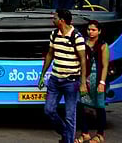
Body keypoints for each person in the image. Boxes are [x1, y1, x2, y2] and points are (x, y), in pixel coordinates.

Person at [40, 9, 87, 143]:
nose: (52, 20)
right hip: (55, 80)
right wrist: (42, 75)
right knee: (48, 110)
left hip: (71, 82)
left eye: (54, 18)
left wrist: (83, 83)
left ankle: (68, 140)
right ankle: (66, 133)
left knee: (70, 116)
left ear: (61, 20)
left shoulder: (77, 37)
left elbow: (83, 60)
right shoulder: (54, 34)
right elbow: (50, 54)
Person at [77, 20, 109, 143]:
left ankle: (100, 134)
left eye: (94, 30)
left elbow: (105, 65)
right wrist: (82, 81)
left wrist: (102, 82)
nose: (91, 32)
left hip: (98, 77)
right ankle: (84, 133)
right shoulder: (83, 43)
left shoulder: (103, 45)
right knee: (81, 104)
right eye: (89, 29)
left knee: (99, 106)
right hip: (85, 77)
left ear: (99, 31)